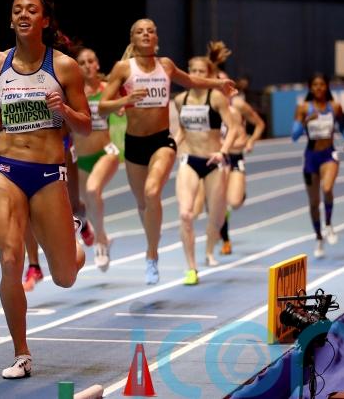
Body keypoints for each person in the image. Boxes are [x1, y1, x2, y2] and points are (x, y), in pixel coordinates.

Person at [0, 0, 90, 380]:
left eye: (31, 10)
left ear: (44, 20)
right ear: (11, 20)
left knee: (65, 277)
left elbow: (85, 125)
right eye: (17, 10)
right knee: (10, 260)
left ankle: (72, 243)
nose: (24, 15)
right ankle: (22, 354)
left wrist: (64, 111)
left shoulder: (64, 67)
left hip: (47, 174)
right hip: (6, 169)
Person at [99, 18, 235, 284]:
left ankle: (151, 254)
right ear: (133, 39)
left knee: (152, 192)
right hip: (134, 143)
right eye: (140, 31)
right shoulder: (123, 68)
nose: (146, 34)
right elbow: (103, 107)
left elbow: (191, 80)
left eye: (150, 31)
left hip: (162, 141)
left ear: (156, 38)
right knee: (142, 204)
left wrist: (217, 84)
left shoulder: (166, 66)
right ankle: (153, 244)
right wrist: (126, 99)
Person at [173, 51, 239, 285]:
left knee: (216, 215)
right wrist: (171, 147)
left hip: (214, 163)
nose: (197, 74)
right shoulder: (181, 100)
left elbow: (232, 128)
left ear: (209, 74)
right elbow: (182, 130)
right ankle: (191, 268)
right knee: (185, 214)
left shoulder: (217, 98)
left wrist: (223, 152)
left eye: (201, 71)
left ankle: (209, 251)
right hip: (190, 160)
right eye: (193, 71)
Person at [207, 43, 266, 255]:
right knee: (217, 200)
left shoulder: (238, 105)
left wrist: (251, 141)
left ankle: (239, 195)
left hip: (234, 157)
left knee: (234, 201)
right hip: (216, 159)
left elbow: (259, 124)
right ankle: (225, 239)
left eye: (222, 83)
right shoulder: (208, 105)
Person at [71, 47, 120, 271]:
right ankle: (103, 236)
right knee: (87, 204)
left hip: (106, 152)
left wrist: (120, 104)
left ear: (97, 64)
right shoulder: (73, 94)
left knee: (92, 190)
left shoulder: (107, 89)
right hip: (80, 159)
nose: (88, 66)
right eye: (82, 63)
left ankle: (100, 242)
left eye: (91, 61)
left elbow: (121, 107)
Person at [291, 73, 344, 258]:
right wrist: (306, 121)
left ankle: (329, 225)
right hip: (311, 157)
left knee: (327, 187)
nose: (318, 88)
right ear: (310, 87)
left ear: (327, 87)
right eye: (315, 85)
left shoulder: (335, 107)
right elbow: (294, 136)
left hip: (329, 155)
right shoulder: (303, 108)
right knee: (314, 203)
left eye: (322, 84)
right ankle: (318, 237)